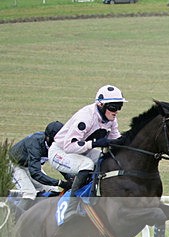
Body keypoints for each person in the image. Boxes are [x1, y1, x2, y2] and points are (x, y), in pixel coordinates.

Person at [48, 85, 127, 222]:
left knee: (107, 160)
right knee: (87, 164)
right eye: (113, 107)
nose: (116, 111)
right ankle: (71, 208)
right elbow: (69, 146)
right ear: (101, 105)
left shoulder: (111, 119)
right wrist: (95, 143)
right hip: (60, 153)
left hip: (82, 151)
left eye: (119, 106)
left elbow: (116, 141)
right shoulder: (86, 117)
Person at [7, 121, 70, 216]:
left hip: (30, 166)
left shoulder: (55, 145)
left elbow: (60, 165)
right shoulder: (35, 143)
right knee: (29, 193)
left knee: (53, 190)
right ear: (48, 138)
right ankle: (15, 219)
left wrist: (71, 178)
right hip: (14, 164)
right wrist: (60, 182)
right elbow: (35, 173)